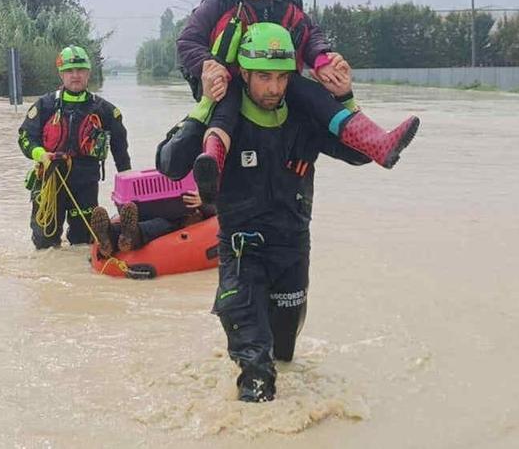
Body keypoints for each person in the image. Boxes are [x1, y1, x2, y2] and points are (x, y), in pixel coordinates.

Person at [159, 23, 415, 402]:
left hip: (292, 250)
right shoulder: (223, 118)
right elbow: (169, 162)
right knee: (257, 370)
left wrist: (346, 97)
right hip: (242, 252)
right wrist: (204, 106)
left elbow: (361, 155)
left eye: (281, 77)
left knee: (285, 354)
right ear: (243, 73)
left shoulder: (303, 117)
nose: (274, 88)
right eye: (264, 77)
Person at [176, 0, 419, 203]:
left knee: (314, 95)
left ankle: (378, 142)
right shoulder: (217, 2)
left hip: (278, 81)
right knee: (227, 109)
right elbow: (188, 42)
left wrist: (323, 60)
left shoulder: (283, 3)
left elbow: (310, 33)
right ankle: (212, 164)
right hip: (227, 82)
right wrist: (207, 66)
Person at [18, 45, 131, 250]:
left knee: (82, 242)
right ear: (61, 74)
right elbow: (25, 138)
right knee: (45, 242)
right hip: (50, 179)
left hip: (85, 183)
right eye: (70, 71)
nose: (75, 75)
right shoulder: (44, 106)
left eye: (80, 70)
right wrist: (41, 154)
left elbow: (121, 152)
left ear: (88, 73)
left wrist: (129, 189)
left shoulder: (106, 110)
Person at [88, 190, 216, 257]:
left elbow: (221, 211)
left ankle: (118, 236)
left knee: (162, 224)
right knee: (159, 221)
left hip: (185, 217)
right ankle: (110, 235)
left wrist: (204, 200)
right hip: (167, 207)